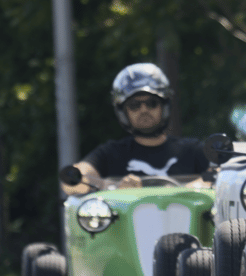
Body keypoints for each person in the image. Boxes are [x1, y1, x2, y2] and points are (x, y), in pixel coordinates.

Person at [61, 63, 209, 196]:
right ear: (124, 112)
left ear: (164, 107)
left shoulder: (192, 150)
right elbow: (71, 182)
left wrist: (197, 186)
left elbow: (223, 172)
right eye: (134, 105)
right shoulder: (110, 153)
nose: (143, 110)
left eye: (151, 103)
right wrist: (113, 187)